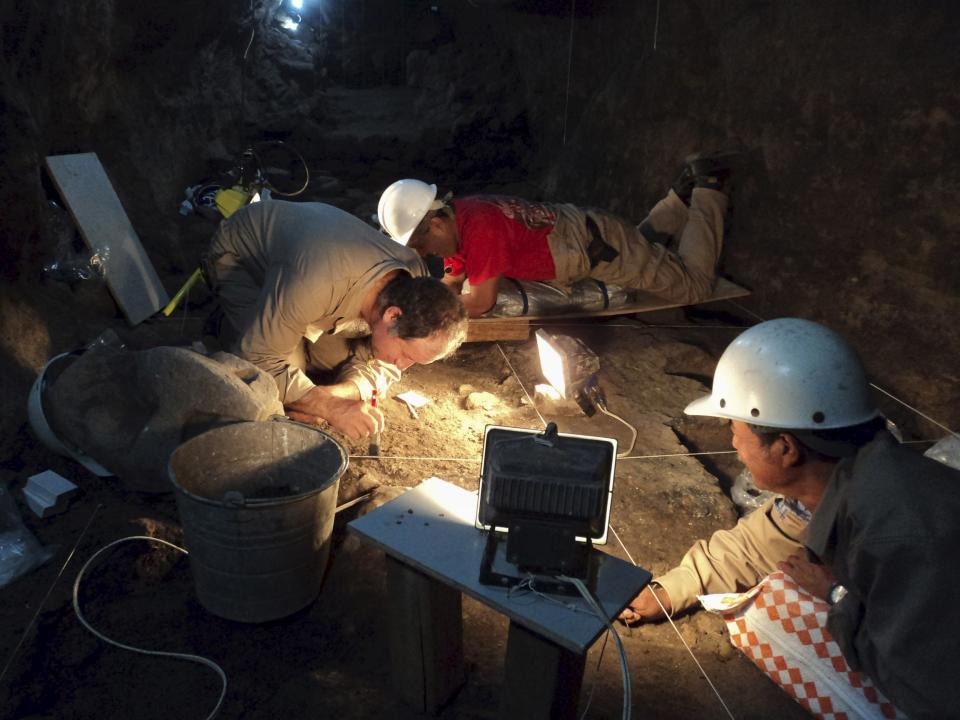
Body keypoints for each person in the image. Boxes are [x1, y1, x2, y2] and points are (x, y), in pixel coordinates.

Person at [622, 318, 960, 719]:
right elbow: (757, 543)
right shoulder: (839, 480)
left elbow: (928, 691)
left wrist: (836, 596)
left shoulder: (901, 537)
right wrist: (668, 591)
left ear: (785, 449)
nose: (733, 443)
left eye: (736, 430)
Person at [202, 199, 468, 440]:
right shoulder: (315, 281)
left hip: (310, 285)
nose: (402, 367)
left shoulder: (413, 279)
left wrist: (328, 394)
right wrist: (330, 406)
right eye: (406, 355)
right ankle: (223, 324)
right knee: (275, 384)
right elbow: (258, 359)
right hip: (244, 259)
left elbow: (380, 367)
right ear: (392, 315)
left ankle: (293, 332)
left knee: (324, 371)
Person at [376, 152, 736, 317]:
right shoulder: (461, 217)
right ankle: (679, 198)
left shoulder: (480, 229)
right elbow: (455, 279)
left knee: (693, 286)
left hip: (596, 244)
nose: (424, 253)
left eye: (420, 244)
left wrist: (428, 316)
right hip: (588, 235)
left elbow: (482, 302)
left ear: (436, 223)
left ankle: (708, 188)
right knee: (639, 253)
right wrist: (426, 298)